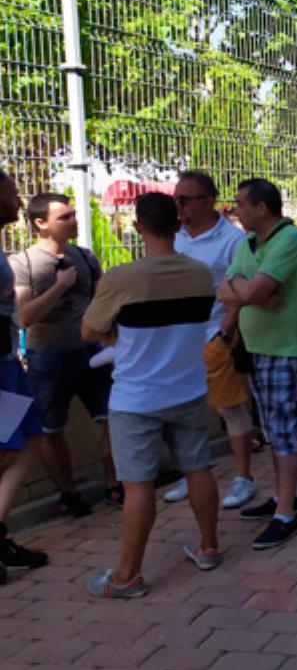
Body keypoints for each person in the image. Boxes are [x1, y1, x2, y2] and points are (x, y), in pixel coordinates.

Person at [81, 193, 220, 598]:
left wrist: (117, 333)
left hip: (136, 400)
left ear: (138, 226)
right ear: (178, 224)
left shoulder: (123, 277)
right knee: (199, 469)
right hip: (189, 389)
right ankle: (209, 547)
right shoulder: (200, 273)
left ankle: (127, 575)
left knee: (138, 486)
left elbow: (89, 332)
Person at [220, 179, 297, 551]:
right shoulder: (249, 243)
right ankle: (282, 497)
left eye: (242, 204)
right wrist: (252, 292)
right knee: (274, 430)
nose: (236, 210)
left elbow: (247, 291)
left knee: (285, 431)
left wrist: (249, 291)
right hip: (257, 349)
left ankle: (286, 515)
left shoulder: (289, 240)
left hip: (285, 351)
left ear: (262, 208)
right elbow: (224, 288)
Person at [13, 193, 116, 514]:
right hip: (48, 358)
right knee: (51, 431)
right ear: (41, 224)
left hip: (92, 352)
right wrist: (59, 286)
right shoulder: (23, 264)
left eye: (73, 214)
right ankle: (68, 496)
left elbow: (102, 304)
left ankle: (115, 486)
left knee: (114, 419)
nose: (74, 221)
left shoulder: (86, 257)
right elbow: (24, 316)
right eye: (65, 217)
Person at [164, 171, 259, 510]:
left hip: (215, 337)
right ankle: (193, 476)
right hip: (178, 342)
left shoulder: (233, 240)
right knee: (183, 413)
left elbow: (241, 291)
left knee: (230, 408)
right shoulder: (174, 238)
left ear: (209, 201)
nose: (179, 206)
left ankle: (243, 478)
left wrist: (224, 334)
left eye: (185, 199)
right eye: (177, 199)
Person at [0, 172, 50, 585]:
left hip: (7, 365)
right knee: (12, 448)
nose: (19, 200)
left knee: (25, 441)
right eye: (12, 193)